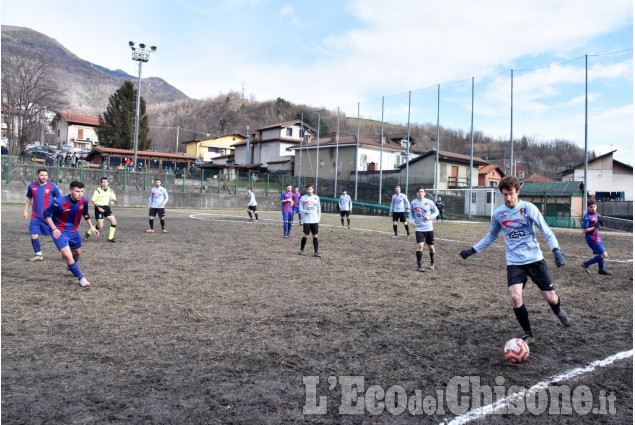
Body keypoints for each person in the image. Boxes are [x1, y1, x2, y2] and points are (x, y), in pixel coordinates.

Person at [459, 176, 570, 344]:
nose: (508, 198)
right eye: (505, 195)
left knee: (550, 298)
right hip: (514, 262)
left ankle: (558, 310)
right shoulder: (498, 214)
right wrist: (473, 250)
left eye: (511, 194)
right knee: (515, 296)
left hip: (534, 259)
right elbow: (491, 236)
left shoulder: (529, 208)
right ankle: (528, 333)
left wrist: (556, 250)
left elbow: (545, 230)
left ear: (517, 192)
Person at [43, 181, 99, 287]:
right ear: (70, 191)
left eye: (81, 191)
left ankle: (71, 266)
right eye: (77, 191)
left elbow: (85, 213)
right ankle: (81, 278)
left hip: (74, 231)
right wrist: (54, 228)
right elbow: (46, 213)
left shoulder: (84, 200)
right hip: (60, 232)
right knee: (68, 256)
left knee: (77, 253)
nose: (80, 194)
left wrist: (91, 226)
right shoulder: (59, 202)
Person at [23, 169, 62, 261]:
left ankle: (65, 251)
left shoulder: (53, 187)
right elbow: (29, 198)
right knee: (33, 234)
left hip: (49, 217)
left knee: (57, 235)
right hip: (35, 216)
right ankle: (38, 254)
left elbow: (60, 200)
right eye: (42, 175)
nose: (44, 177)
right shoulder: (32, 186)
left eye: (45, 175)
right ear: (37, 176)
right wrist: (25, 211)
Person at [410, 187, 439, 272]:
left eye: (422, 192)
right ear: (416, 193)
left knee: (431, 247)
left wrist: (429, 217)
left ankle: (432, 262)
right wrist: (412, 221)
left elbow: (436, 212)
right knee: (420, 246)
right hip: (419, 228)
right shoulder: (413, 203)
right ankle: (419, 266)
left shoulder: (429, 202)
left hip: (429, 228)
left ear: (424, 193)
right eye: (418, 192)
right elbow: (411, 213)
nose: (420, 193)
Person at [581, 199, 612, 275]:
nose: (593, 208)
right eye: (591, 207)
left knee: (600, 254)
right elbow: (584, 230)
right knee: (604, 255)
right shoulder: (587, 217)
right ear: (588, 208)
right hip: (592, 239)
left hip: (597, 237)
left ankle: (601, 270)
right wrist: (595, 227)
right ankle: (586, 264)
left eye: (594, 206)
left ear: (596, 206)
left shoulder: (595, 214)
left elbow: (595, 222)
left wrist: (598, 222)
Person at [85, 177, 118, 243]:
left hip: (106, 208)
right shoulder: (97, 190)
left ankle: (110, 238)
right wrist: (98, 207)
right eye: (103, 182)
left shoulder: (110, 190)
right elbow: (93, 200)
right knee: (100, 226)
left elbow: (114, 199)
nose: (104, 183)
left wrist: (113, 202)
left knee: (114, 222)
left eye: (106, 182)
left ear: (108, 183)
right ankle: (88, 232)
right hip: (98, 208)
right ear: (101, 183)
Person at [299, 183, 321, 257]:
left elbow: (319, 209)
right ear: (306, 190)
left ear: (313, 189)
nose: (309, 190)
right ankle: (301, 250)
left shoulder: (316, 198)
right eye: (307, 189)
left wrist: (318, 219)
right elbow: (300, 208)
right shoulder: (303, 198)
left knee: (315, 236)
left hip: (314, 220)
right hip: (307, 220)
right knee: (306, 235)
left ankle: (316, 252)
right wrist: (305, 211)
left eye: (310, 189)